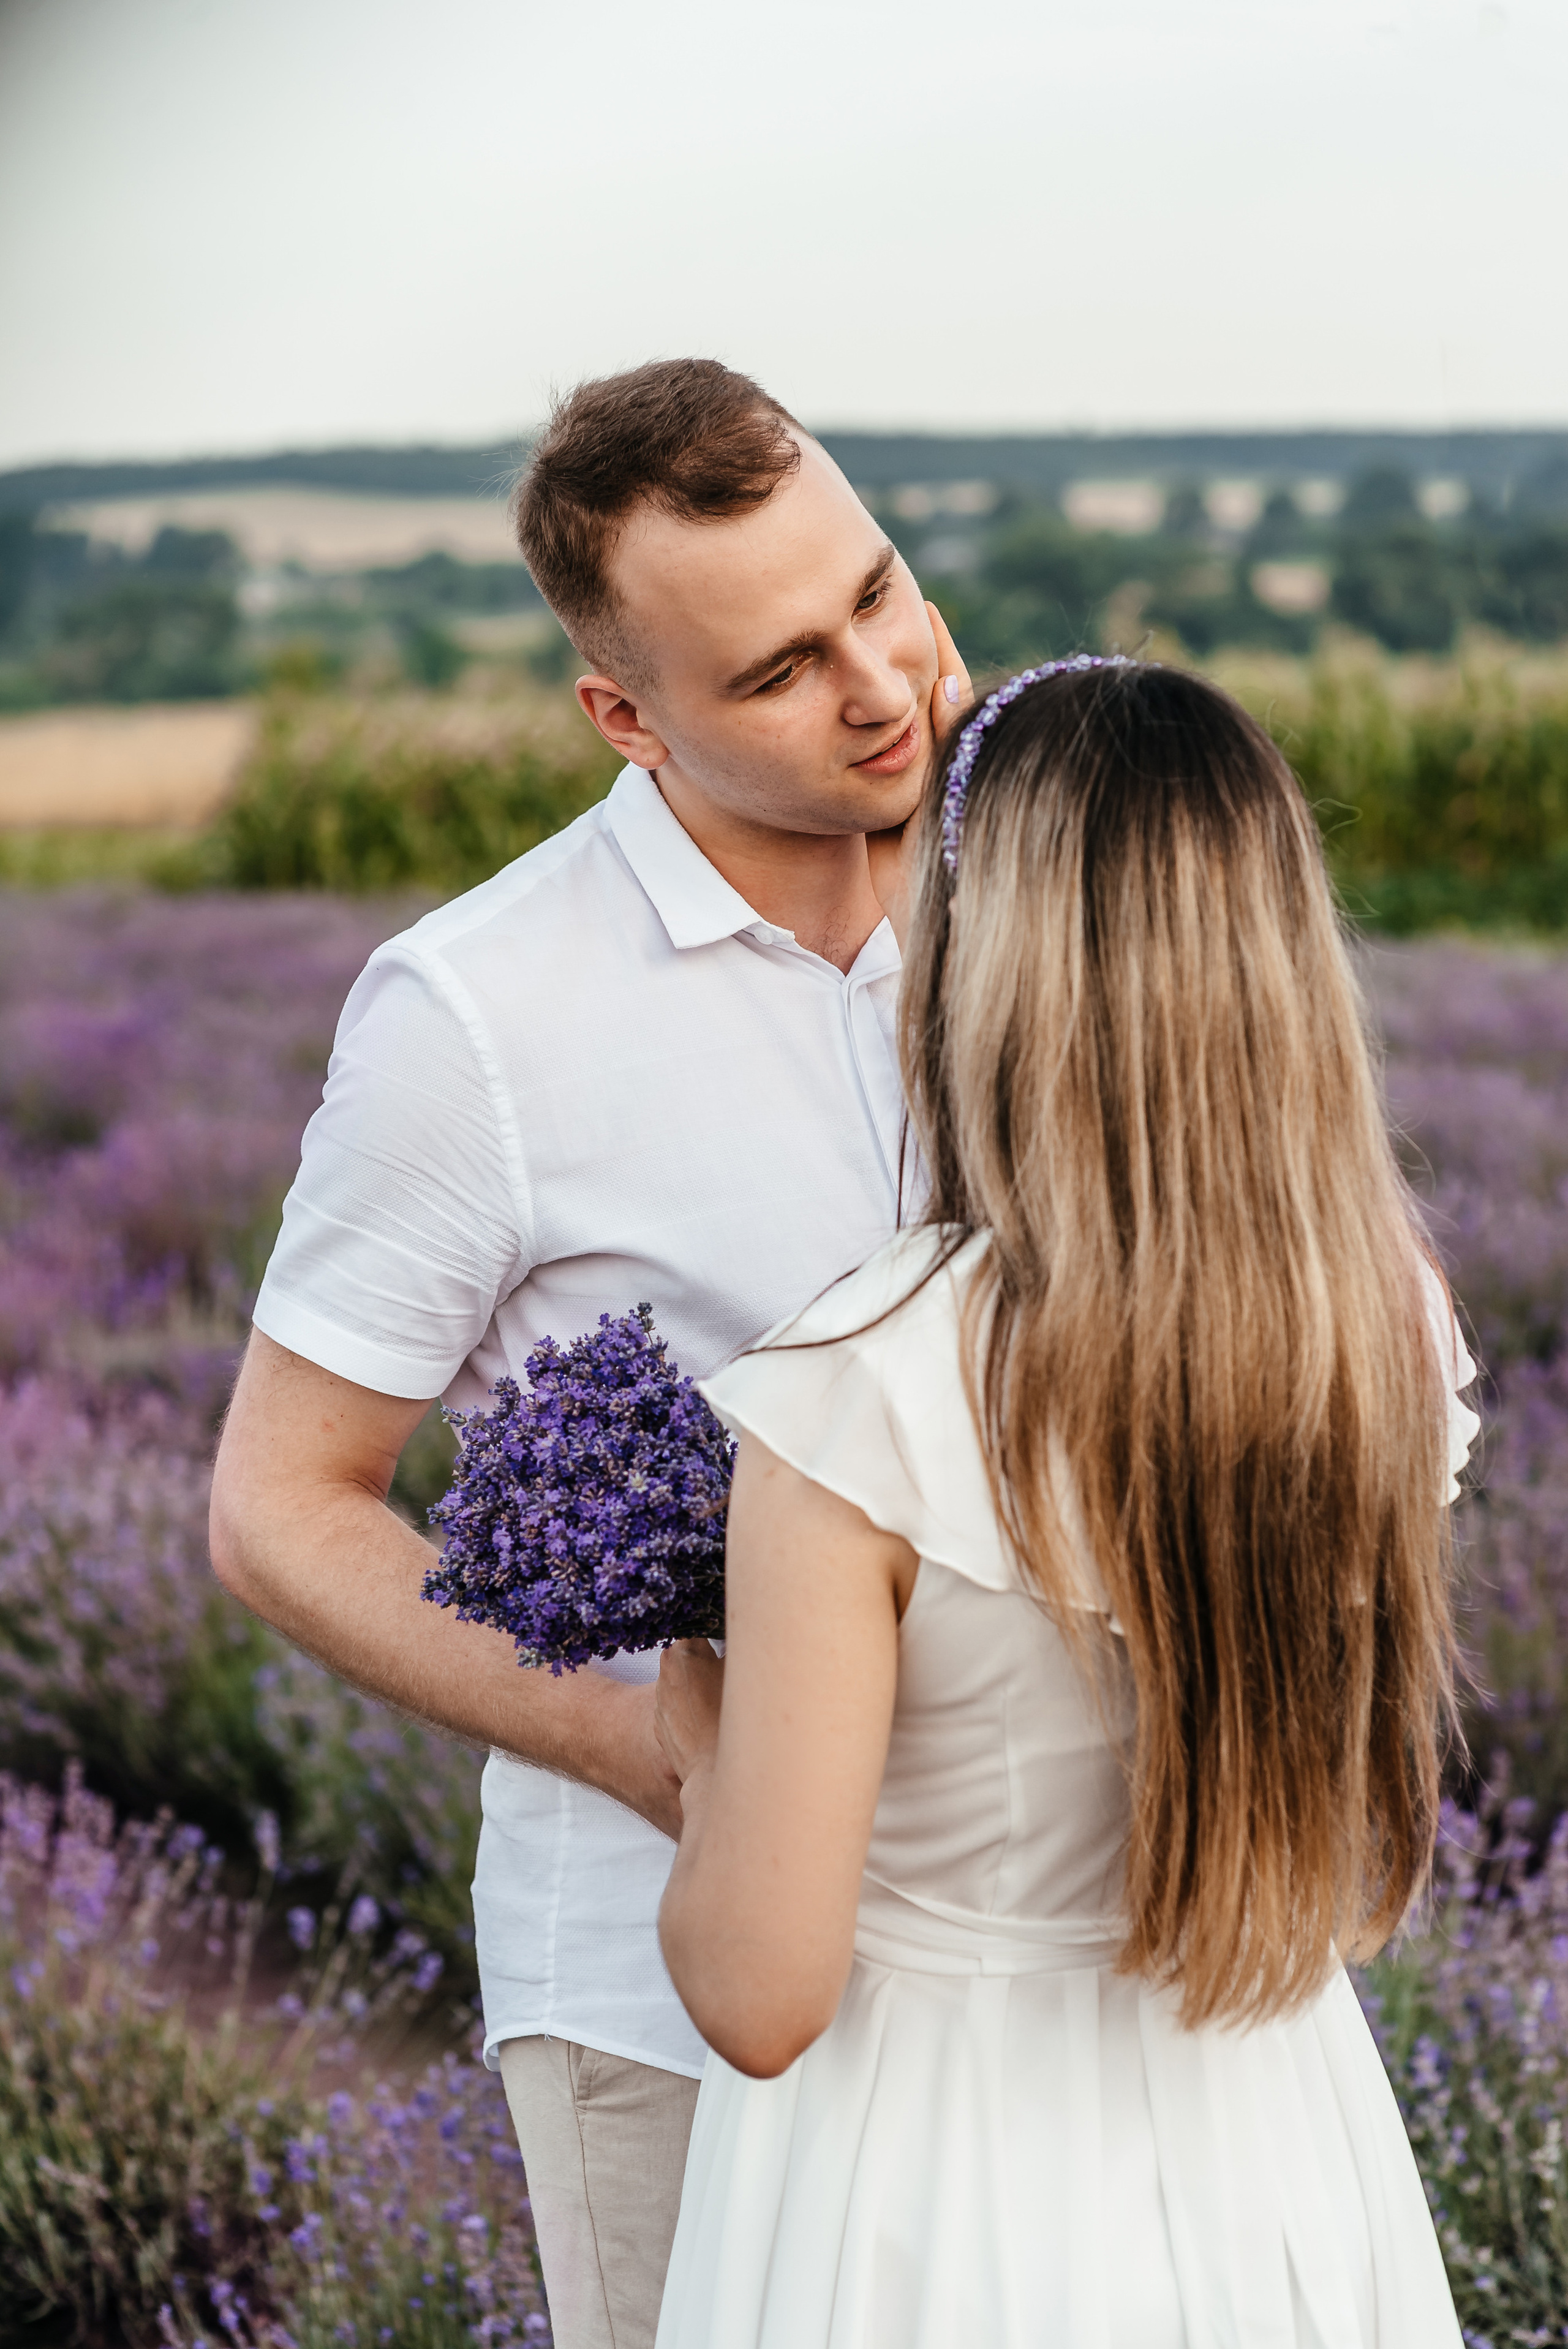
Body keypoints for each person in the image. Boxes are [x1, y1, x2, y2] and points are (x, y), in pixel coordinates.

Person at [207, 357, 971, 2349]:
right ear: (626, 718)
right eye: (782, 668)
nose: (881, 683)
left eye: (879, 591)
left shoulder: (1045, 892)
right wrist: (658, 1752)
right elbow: (283, 1507)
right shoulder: (477, 1016)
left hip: (1047, 1949)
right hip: (664, 2003)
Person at [651, 656, 1476, 2347]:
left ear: (978, 968)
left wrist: (697, 1700)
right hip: (1276, 2148)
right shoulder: (1382, 1319)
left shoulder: (859, 1389)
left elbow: (756, 1992)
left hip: (935, 2189)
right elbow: (1365, 1870)